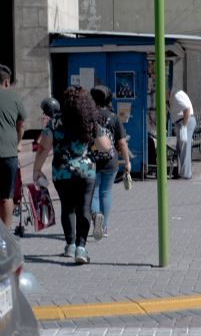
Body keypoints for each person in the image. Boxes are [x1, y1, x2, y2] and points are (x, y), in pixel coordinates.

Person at [32, 86, 112, 264]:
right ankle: (81, 248)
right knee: (83, 208)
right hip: (86, 172)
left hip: (62, 172)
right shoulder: (89, 121)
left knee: (67, 208)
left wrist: (36, 170)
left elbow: (43, 147)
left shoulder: (54, 122)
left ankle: (69, 245)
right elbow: (106, 146)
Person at [89, 86, 131, 239]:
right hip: (110, 160)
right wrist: (127, 162)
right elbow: (122, 143)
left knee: (93, 194)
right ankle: (104, 227)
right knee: (105, 193)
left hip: (91, 161)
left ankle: (96, 218)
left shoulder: (89, 116)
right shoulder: (113, 117)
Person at [0, 65, 26, 228]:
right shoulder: (15, 98)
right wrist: (18, 143)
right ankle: (6, 236)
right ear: (7, 82)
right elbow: (21, 124)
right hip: (9, 153)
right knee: (6, 196)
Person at [171, 89, 195, 180]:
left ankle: (186, 174)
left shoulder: (176, 96)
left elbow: (187, 109)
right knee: (182, 148)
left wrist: (184, 126)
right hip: (182, 123)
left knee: (184, 148)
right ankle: (183, 172)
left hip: (185, 123)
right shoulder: (173, 97)